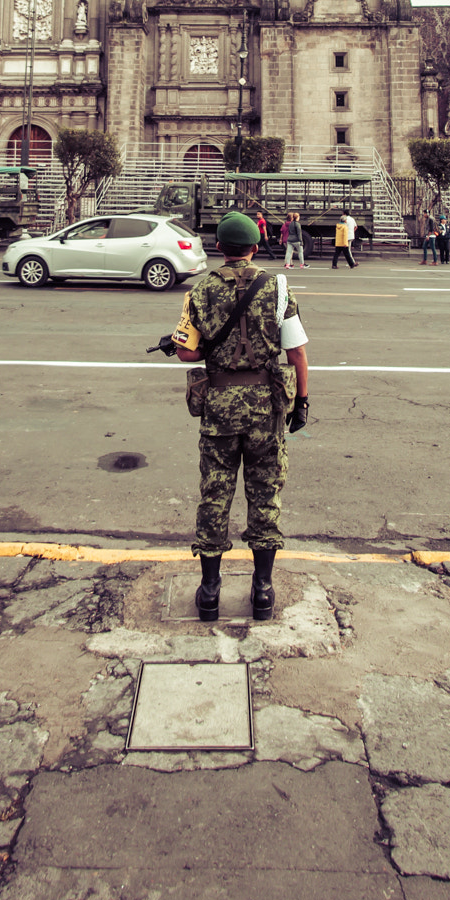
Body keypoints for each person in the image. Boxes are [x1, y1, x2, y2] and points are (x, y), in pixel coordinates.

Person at [171, 211, 311, 624]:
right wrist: (301, 402)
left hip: (219, 410)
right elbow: (297, 351)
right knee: (265, 493)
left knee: (215, 494)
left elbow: (186, 351)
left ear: (220, 249)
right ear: (254, 247)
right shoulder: (279, 286)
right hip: (266, 410)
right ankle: (263, 591)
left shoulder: (199, 291)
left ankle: (210, 593)